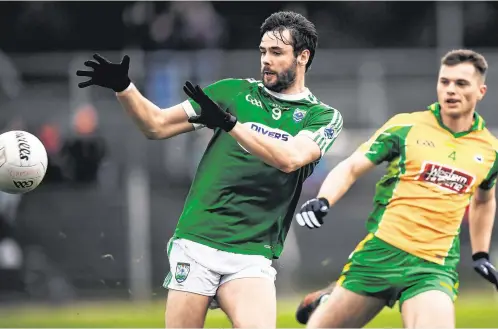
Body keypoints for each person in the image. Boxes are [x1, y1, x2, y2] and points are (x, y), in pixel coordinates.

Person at [76, 11, 343, 328]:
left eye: (276, 52)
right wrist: (125, 88)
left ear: (303, 56)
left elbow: (289, 158)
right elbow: (156, 125)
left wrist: (231, 125)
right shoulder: (232, 92)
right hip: (198, 241)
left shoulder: (322, 117)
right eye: (262, 51)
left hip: (251, 251)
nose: (266, 60)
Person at [293, 49, 498, 328]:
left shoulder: (489, 150)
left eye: (461, 84)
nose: (450, 90)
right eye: (444, 82)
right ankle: (331, 300)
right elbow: (352, 165)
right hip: (380, 254)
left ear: (481, 91)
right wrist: (324, 200)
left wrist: (480, 253)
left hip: (432, 268)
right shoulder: (406, 127)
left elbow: (484, 201)